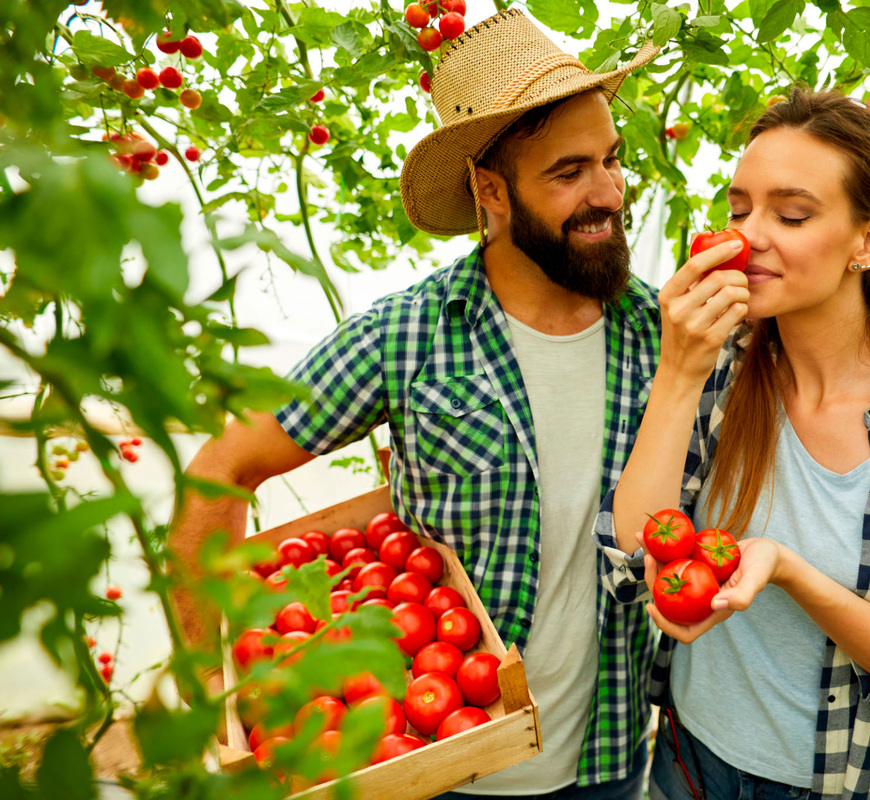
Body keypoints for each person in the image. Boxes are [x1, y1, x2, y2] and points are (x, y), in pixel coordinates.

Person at [168, 10, 661, 798]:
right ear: (491, 191)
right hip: (442, 770)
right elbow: (223, 469)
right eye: (569, 173)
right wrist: (209, 683)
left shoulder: (661, 332)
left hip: (606, 762)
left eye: (612, 159)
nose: (608, 192)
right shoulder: (407, 336)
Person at [594, 87, 870, 800]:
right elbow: (632, 566)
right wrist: (677, 374)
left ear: (868, 242)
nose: (747, 237)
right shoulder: (720, 368)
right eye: (738, 211)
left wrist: (791, 573)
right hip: (687, 764)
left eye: (790, 215)